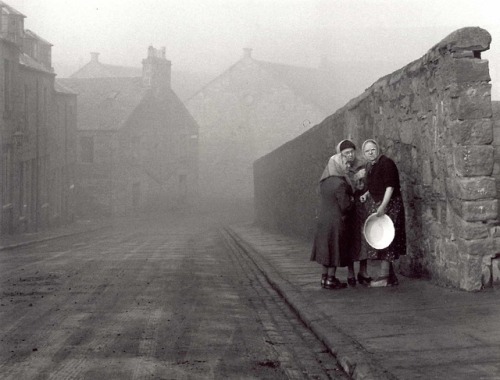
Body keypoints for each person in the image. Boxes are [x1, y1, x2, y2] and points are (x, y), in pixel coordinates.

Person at [360, 139, 406, 287]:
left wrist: (383, 206)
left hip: (391, 205)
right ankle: (391, 278)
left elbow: (390, 187)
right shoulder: (372, 166)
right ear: (364, 154)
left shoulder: (386, 163)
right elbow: (376, 184)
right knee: (384, 238)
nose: (370, 153)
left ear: (377, 149)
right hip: (382, 204)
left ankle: (384, 277)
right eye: (367, 151)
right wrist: (367, 194)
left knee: (387, 239)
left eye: (372, 149)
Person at [310, 140, 354, 290]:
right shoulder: (340, 183)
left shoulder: (324, 182)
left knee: (326, 250)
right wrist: (353, 200)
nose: (346, 164)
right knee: (334, 250)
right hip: (336, 222)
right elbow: (345, 206)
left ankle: (324, 278)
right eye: (343, 161)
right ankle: (331, 279)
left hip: (323, 221)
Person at [339, 140, 372, 286]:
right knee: (350, 240)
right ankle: (350, 273)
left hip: (362, 207)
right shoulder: (340, 169)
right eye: (346, 153)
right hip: (348, 209)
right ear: (341, 155)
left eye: (352, 151)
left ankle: (363, 271)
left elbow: (369, 185)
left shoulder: (363, 166)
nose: (350, 155)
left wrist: (362, 183)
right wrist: (354, 179)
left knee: (364, 237)